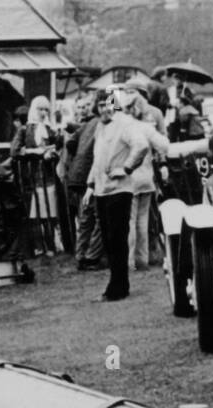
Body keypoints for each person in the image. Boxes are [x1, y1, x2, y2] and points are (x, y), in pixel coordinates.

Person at [85, 89, 148, 301]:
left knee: (117, 238)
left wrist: (126, 168)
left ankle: (118, 287)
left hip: (120, 190)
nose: (105, 109)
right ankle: (117, 283)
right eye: (101, 105)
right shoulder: (100, 128)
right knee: (108, 240)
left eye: (109, 104)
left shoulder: (125, 124)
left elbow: (141, 146)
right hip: (102, 190)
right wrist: (90, 186)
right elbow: (97, 158)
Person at [124, 88, 169, 271]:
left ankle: (129, 261)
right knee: (143, 221)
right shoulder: (147, 127)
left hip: (130, 177)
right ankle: (143, 259)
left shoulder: (125, 127)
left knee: (130, 222)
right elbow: (164, 145)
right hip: (147, 177)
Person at [62, 97, 104, 270]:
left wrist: (79, 155)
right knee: (100, 217)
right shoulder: (105, 125)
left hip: (78, 175)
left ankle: (80, 255)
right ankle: (91, 257)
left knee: (85, 216)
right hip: (92, 174)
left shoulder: (88, 123)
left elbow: (70, 142)